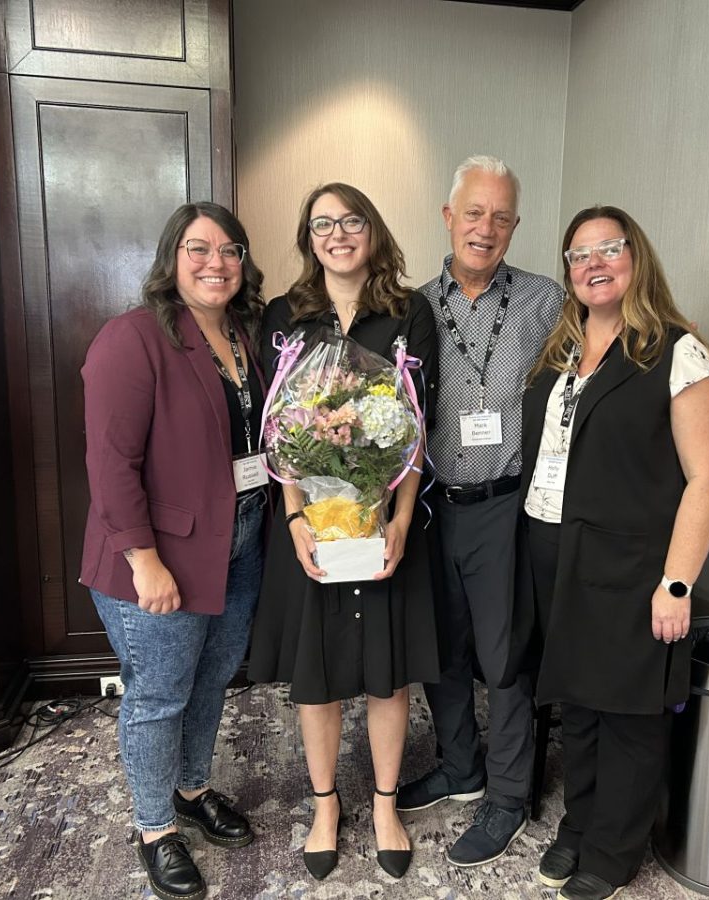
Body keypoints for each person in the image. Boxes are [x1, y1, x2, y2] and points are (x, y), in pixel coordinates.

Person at [516, 205, 709, 900]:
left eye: (609, 248)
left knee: (629, 710)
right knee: (578, 700)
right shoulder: (563, 347)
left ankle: (613, 850)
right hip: (557, 549)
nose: (593, 263)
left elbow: (708, 476)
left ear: (637, 258)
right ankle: (579, 825)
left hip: (634, 564)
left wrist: (677, 583)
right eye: (579, 254)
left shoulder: (675, 349)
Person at [248, 182, 439, 881]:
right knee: (317, 676)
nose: (337, 234)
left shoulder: (409, 314)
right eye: (322, 223)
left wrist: (400, 518)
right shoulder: (284, 316)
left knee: (388, 678)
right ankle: (326, 805)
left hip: (384, 522)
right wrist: (296, 515)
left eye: (350, 220)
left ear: (373, 230)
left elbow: (422, 425)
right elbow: (277, 427)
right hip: (312, 529)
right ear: (308, 237)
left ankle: (385, 805)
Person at [80, 201, 268, 900]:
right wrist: (143, 560)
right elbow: (110, 463)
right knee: (159, 695)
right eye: (199, 248)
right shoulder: (133, 339)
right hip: (160, 555)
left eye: (230, 251)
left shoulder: (244, 336)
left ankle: (192, 789)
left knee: (212, 679)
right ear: (172, 257)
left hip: (241, 540)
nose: (215, 262)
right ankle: (155, 827)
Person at [396, 155, 564, 867]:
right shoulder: (411, 306)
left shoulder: (545, 301)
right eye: (474, 212)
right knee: (442, 648)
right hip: (430, 503)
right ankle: (461, 770)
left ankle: (508, 796)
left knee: (505, 657)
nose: (485, 228)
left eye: (501, 216)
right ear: (448, 217)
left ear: (514, 226)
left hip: (506, 504)